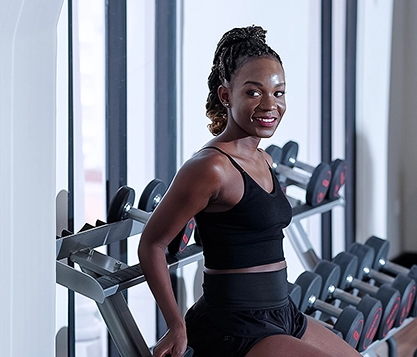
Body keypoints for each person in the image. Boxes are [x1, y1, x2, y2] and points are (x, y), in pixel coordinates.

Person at [138, 26, 360, 357]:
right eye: (254, 92)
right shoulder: (210, 168)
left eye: (279, 93)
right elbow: (152, 244)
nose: (270, 105)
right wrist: (175, 324)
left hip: (282, 312)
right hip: (234, 326)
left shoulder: (264, 159)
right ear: (226, 95)